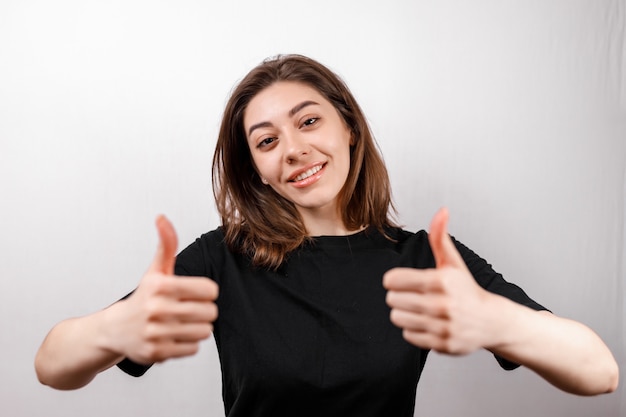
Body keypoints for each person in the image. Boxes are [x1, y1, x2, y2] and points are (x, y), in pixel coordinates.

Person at [35, 54, 618, 416]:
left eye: (309, 120)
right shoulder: (221, 258)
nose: (293, 150)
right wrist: (115, 326)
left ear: (350, 130)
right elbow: (53, 366)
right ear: (255, 168)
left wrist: (498, 320)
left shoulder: (422, 258)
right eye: (266, 141)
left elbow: (600, 373)